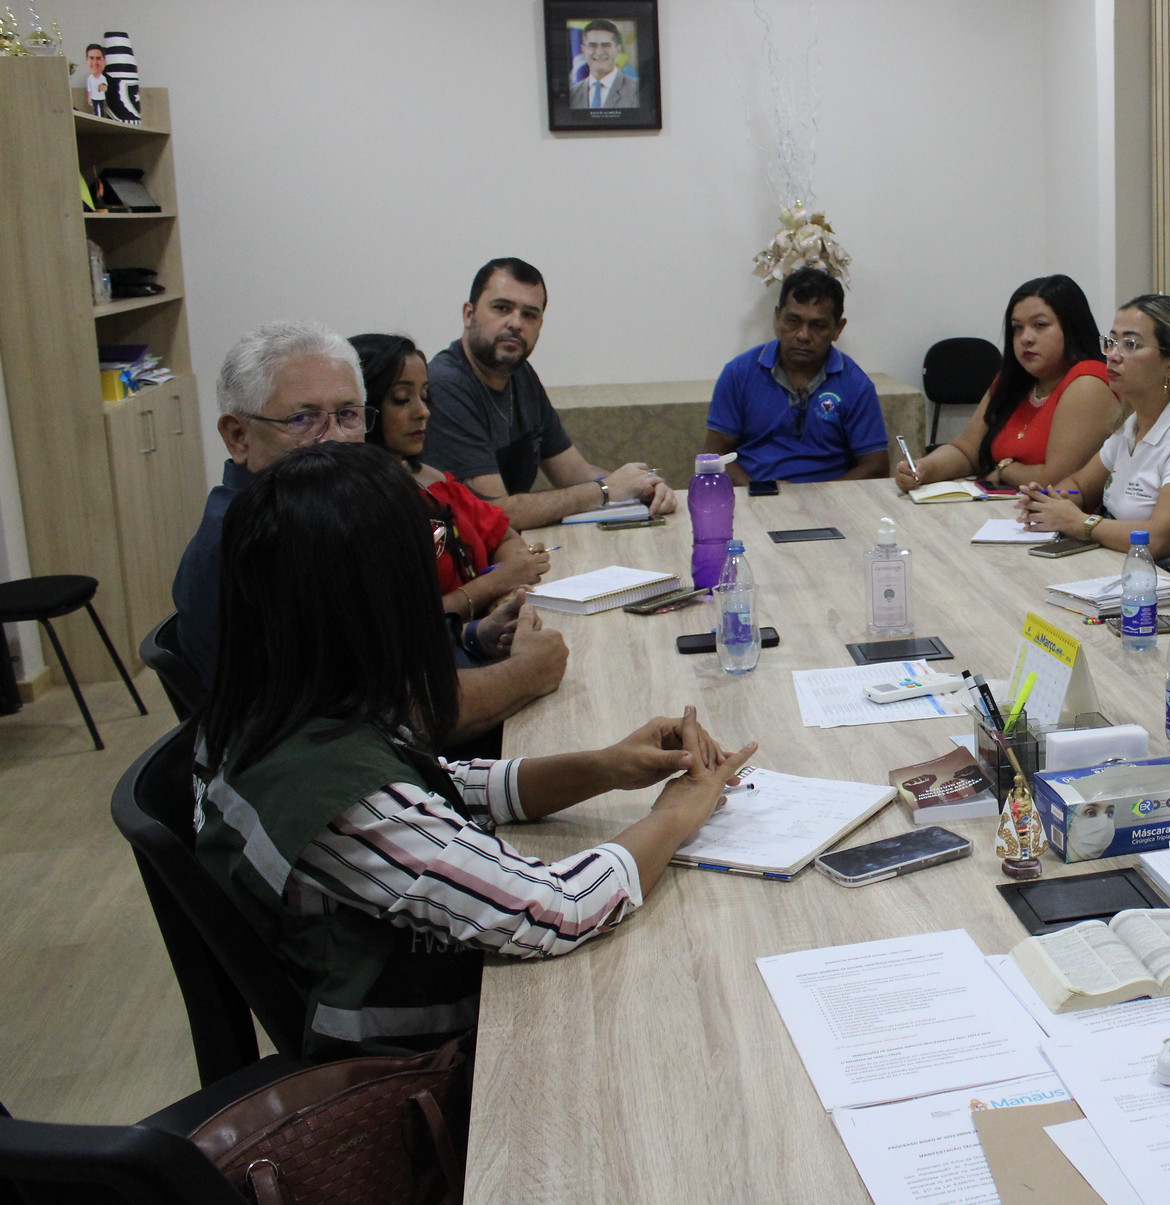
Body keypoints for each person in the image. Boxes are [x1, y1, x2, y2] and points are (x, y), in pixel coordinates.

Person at [195, 443, 755, 1058]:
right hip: (423, 1059)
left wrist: (603, 767)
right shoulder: (333, 793)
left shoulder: (282, 701)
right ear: (374, 601)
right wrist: (675, 816)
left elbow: (437, 784)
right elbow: (556, 909)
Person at [174, 321, 566, 739]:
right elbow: (396, 716)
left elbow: (385, 649)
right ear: (238, 437)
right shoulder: (264, 545)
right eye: (304, 418)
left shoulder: (324, 516)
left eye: (347, 415)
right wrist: (527, 673)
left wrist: (473, 636)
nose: (337, 440)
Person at [422, 258, 675, 530]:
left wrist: (641, 488)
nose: (516, 323)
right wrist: (605, 490)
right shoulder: (446, 385)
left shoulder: (521, 375)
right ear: (469, 314)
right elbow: (497, 512)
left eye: (529, 314)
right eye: (502, 308)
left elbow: (573, 472)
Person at [1016, 294, 1170, 574]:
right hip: (1133, 572)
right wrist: (1053, 500)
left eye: (1131, 344)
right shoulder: (1132, 424)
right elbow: (1080, 485)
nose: (1113, 355)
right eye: (1112, 342)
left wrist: (1080, 523)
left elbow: (1159, 539)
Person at [352, 333, 551, 626]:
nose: (423, 412)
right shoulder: (362, 508)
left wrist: (506, 594)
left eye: (425, 395)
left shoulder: (433, 482)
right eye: (402, 399)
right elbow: (411, 622)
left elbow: (504, 536)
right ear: (362, 407)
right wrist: (496, 584)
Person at [893, 275, 1119, 491]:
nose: (1025, 338)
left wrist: (1003, 470)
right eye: (1017, 328)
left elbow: (1054, 481)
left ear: (1072, 328)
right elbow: (967, 450)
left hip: (1063, 525)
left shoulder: (1088, 380)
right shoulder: (1014, 380)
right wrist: (924, 468)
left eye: (1040, 325)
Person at [704, 266, 889, 485]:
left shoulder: (856, 384)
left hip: (831, 504)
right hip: (754, 498)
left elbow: (876, 466)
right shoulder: (739, 373)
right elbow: (715, 456)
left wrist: (820, 496)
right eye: (793, 321)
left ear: (838, 329)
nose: (803, 335)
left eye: (817, 325)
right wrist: (760, 492)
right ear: (777, 318)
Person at [569, 19, 639, 110]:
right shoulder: (572, 93)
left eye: (606, 45)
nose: (599, 52)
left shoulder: (637, 92)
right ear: (583, 50)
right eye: (592, 45)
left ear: (618, 50)